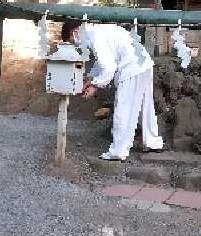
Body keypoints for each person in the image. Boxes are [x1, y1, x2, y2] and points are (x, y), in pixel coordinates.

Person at [61, 19, 163, 161]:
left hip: (131, 68)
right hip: (144, 64)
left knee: (123, 109)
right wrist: (91, 78)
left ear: (76, 32)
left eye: (73, 41)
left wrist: (95, 85)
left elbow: (108, 68)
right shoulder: (97, 31)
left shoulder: (95, 37)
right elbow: (101, 62)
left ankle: (118, 151)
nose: (76, 44)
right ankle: (153, 142)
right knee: (146, 107)